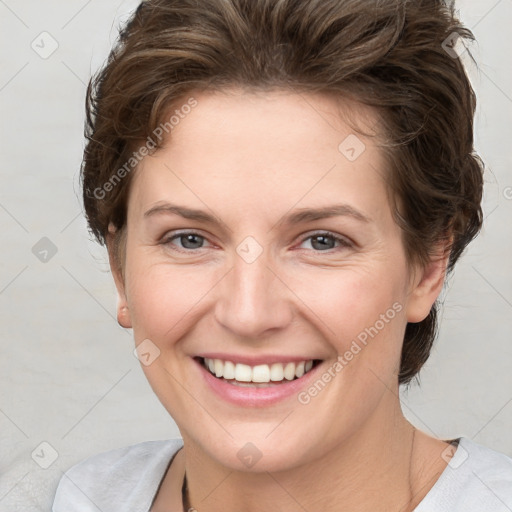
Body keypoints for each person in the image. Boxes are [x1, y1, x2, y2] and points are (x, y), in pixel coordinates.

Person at [52, 0, 512, 510]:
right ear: (121, 271)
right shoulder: (75, 498)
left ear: (427, 267)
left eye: (322, 241)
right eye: (189, 239)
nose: (249, 314)